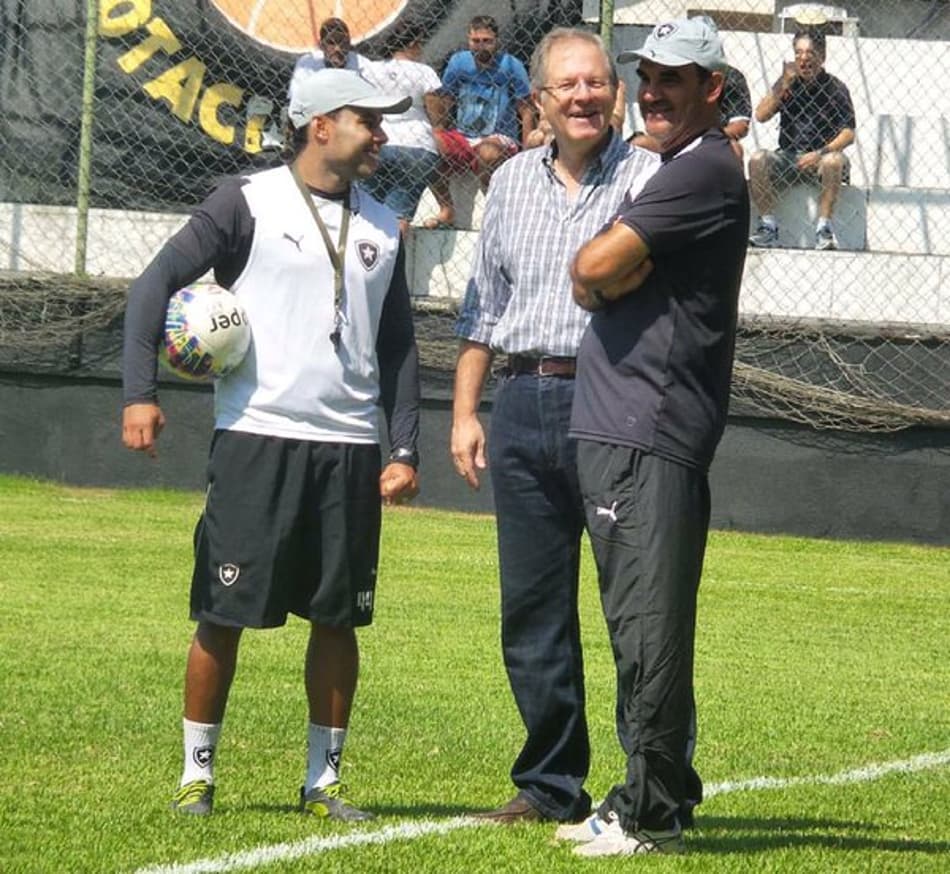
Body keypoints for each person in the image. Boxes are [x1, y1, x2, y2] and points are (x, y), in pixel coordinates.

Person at [121, 68, 421, 821]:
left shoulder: (385, 224)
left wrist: (404, 447)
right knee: (223, 612)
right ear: (321, 125)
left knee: (339, 618)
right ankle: (197, 775)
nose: (381, 133)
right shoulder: (243, 202)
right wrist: (139, 395)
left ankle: (323, 783)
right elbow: (153, 286)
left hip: (349, 446)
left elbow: (399, 346)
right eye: (367, 120)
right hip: (257, 437)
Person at [451, 27, 659, 825]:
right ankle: (549, 785)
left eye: (596, 83)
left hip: (613, 402)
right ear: (537, 98)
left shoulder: (650, 178)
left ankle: (649, 783)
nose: (583, 96)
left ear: (616, 94)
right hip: (520, 402)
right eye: (567, 85)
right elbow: (483, 308)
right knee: (532, 607)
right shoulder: (506, 184)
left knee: (633, 606)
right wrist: (466, 411)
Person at [560, 17, 748, 856]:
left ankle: (652, 812)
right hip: (627, 427)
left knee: (648, 629)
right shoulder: (680, 168)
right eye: (648, 76)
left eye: (676, 78)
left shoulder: (702, 170)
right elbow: (605, 270)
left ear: (713, 88)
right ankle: (651, 789)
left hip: (648, 427)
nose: (654, 92)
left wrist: (601, 276)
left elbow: (593, 268)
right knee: (637, 625)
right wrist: (606, 274)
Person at [748, 28, 856, 250]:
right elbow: (760, 115)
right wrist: (783, 85)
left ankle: (824, 229)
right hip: (789, 156)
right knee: (758, 158)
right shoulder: (786, 84)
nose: (803, 59)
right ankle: (768, 227)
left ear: (822, 56)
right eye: (798, 53)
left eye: (810, 53)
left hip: (823, 156)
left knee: (833, 161)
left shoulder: (835, 88)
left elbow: (848, 133)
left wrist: (821, 153)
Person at [423, 15, 534, 229]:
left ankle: (496, 210)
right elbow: (447, 98)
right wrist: (440, 131)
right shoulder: (459, 62)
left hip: (499, 137)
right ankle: (446, 209)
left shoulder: (511, 65)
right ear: (468, 39)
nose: (480, 46)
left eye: (487, 41)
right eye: (476, 41)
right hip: (464, 136)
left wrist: (527, 152)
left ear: (497, 41)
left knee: (488, 152)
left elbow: (526, 109)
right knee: (428, 144)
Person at [627, 16, 750, 160]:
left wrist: (703, 141)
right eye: (645, 79)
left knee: (734, 149)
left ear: (712, 87)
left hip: (713, 140)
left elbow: (740, 125)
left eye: (669, 81)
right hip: (673, 139)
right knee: (640, 143)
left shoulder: (733, 77)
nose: (650, 94)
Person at [359, 22, 443, 234]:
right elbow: (436, 111)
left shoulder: (371, 70)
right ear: (414, 44)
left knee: (366, 212)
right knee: (399, 216)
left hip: (378, 142)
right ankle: (394, 259)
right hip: (416, 145)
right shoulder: (424, 72)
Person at [289, 17, 368, 93]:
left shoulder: (362, 65)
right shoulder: (307, 64)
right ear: (321, 45)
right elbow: (295, 98)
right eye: (331, 43)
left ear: (349, 43)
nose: (338, 48)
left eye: (342, 42)